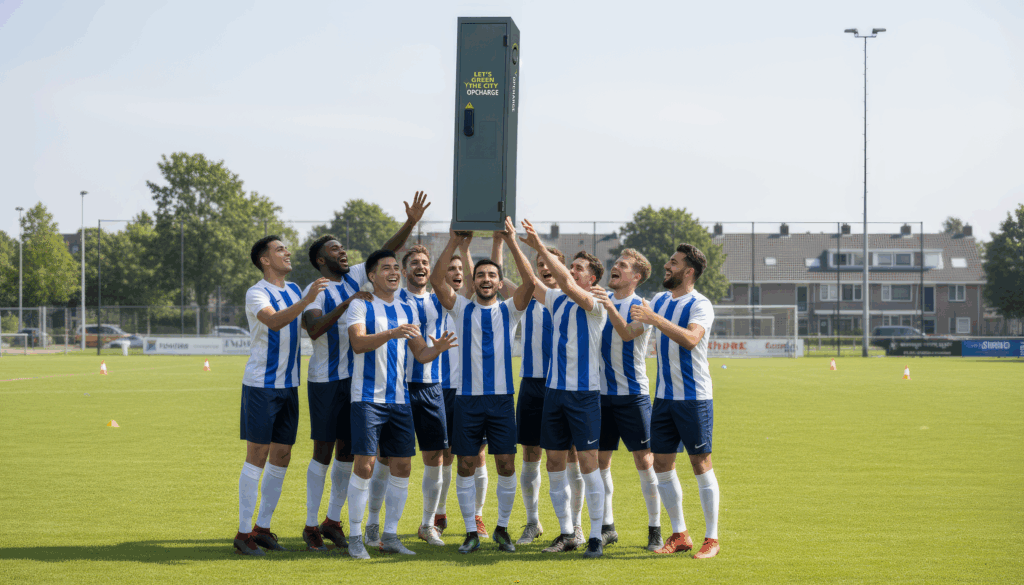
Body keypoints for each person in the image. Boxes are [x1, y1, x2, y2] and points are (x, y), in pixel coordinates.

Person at [298, 192, 428, 551]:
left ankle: (332, 521)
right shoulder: (317, 290)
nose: (343, 252)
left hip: (357, 381)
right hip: (327, 379)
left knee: (348, 453)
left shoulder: (357, 275)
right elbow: (314, 328)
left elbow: (386, 252)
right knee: (323, 451)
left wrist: (410, 223)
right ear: (321, 260)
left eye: (343, 248)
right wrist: (348, 303)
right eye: (335, 249)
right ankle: (310, 524)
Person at [430, 218, 536, 553]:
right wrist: (453, 241)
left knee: (506, 464)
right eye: (480, 275)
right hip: (468, 401)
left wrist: (511, 240)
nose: (486, 279)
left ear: (499, 282)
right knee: (465, 464)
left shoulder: (510, 310)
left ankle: (502, 528)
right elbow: (436, 280)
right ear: (473, 281)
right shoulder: (460, 308)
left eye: (492, 275)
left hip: (501, 400)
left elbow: (530, 283)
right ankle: (470, 531)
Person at [343, 249, 457, 559]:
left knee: (403, 466)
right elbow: (358, 343)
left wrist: (438, 349)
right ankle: (356, 536)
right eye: (386, 268)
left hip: (399, 399)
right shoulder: (361, 305)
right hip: (367, 398)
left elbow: (420, 353)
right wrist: (392, 333)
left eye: (396, 267)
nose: (393, 272)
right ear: (371, 276)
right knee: (365, 466)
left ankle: (391, 535)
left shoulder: (407, 309)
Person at [519, 219, 608, 558]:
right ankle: (567, 533)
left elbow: (568, 285)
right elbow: (531, 280)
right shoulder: (556, 299)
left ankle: (595, 535)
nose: (572, 271)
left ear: (592, 278)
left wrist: (540, 246)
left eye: (579, 268)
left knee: (587, 464)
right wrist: (512, 240)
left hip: (583, 395)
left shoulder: (595, 304)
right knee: (554, 463)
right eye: (572, 266)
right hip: (554, 393)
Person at [234, 235, 328, 556]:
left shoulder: (294, 289)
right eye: (279, 250)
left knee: (282, 455)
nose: (287, 252)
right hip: (262, 386)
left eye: (286, 248)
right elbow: (274, 321)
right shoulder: (257, 292)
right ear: (264, 260)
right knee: (257, 455)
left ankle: (262, 529)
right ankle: (243, 534)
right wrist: (306, 300)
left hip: (289, 385)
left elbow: (305, 325)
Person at [630, 243, 721, 559]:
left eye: (674, 262)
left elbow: (691, 339)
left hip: (694, 398)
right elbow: (631, 331)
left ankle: (712, 539)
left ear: (689, 271)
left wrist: (654, 319)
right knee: (662, 464)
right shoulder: (658, 300)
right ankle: (680, 534)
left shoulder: (700, 304)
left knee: (700, 464)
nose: (667, 266)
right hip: (664, 399)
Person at [496, 242, 584, 546]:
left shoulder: (573, 300)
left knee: (570, 455)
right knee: (530, 454)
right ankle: (533, 522)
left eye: (550, 263)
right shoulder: (528, 296)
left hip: (564, 386)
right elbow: (497, 278)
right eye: (540, 263)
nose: (545, 268)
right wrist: (500, 241)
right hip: (532, 384)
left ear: (562, 268)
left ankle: (575, 524)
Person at [590, 249, 663, 551]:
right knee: (600, 462)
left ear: (636, 276)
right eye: (616, 262)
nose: (615, 267)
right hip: (602, 396)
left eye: (623, 265)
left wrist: (609, 306)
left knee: (644, 461)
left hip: (633, 396)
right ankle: (607, 527)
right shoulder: (599, 300)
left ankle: (655, 528)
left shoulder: (641, 307)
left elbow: (628, 334)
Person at [431, 236, 490, 538]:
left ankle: (477, 516)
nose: (456, 272)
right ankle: (439, 514)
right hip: (438, 389)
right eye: (450, 268)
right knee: (444, 454)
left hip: (470, 390)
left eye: (460, 269)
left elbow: (473, 280)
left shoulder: (467, 303)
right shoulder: (429, 302)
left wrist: (464, 251)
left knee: (477, 455)